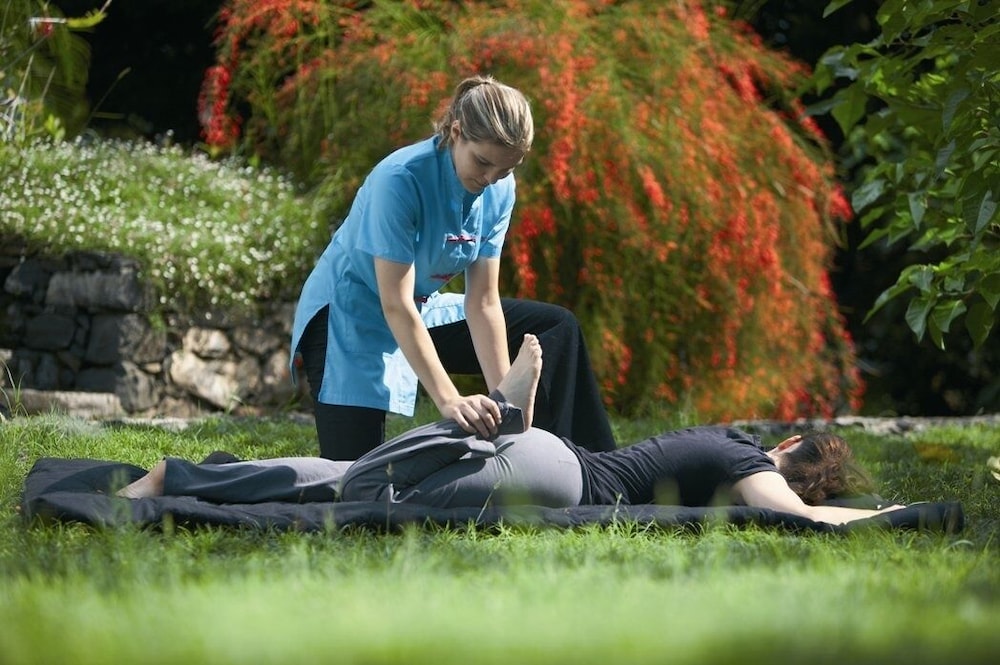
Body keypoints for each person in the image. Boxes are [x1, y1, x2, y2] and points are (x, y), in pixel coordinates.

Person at [120, 336, 905, 527]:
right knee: (362, 492)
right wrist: (885, 514)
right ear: (783, 457)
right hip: (555, 477)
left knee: (350, 477)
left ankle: (183, 475)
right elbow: (797, 518)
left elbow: (789, 508)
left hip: (549, 454)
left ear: (786, 447)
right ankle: (506, 406)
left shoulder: (731, 447)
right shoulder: (744, 458)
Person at [291, 74, 615, 461]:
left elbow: (483, 302)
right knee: (354, 476)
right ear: (456, 132)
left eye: (505, 169)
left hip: (419, 308)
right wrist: (449, 399)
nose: (490, 179)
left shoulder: (499, 187)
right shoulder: (399, 179)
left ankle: (591, 468)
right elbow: (395, 302)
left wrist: (506, 404)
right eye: (483, 162)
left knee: (556, 327)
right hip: (347, 317)